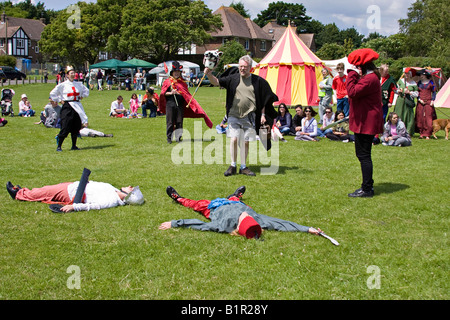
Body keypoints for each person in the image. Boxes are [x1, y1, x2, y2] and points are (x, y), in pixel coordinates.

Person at [205, 55, 278, 176]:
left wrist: (263, 114)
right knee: (234, 139)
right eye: (240, 67)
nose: (242, 69)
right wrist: (208, 74)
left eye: (245, 67)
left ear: (250, 67)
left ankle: (243, 167)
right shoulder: (233, 78)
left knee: (245, 141)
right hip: (234, 115)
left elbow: (264, 98)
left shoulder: (258, 81)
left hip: (249, 116)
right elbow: (216, 82)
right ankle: (232, 165)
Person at [160, 186, 324, 239]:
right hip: (233, 203)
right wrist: (307, 228)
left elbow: (200, 225)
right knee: (237, 201)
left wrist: (175, 223)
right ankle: (235, 196)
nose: (246, 215)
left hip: (214, 207)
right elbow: (282, 224)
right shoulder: (257, 219)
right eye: (247, 216)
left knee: (194, 204)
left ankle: (178, 198)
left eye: (245, 217)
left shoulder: (222, 225)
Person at [346, 48, 383, 198]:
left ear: (361, 66)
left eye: (357, 67)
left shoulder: (370, 79)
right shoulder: (371, 77)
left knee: (364, 156)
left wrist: (351, 74)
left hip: (366, 122)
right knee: (363, 155)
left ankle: (367, 188)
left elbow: (352, 92)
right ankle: (367, 186)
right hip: (364, 120)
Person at [6, 180, 144, 212]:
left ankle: (18, 194)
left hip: (71, 192)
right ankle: (24, 191)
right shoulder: (114, 191)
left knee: (46, 191)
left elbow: (94, 206)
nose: (130, 186)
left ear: (128, 195)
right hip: (75, 185)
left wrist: (74, 207)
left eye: (131, 189)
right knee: (46, 190)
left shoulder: (112, 200)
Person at [160, 61, 212, 144]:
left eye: (178, 72)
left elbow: (186, 94)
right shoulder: (167, 82)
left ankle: (178, 138)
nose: (177, 73)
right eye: (175, 72)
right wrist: (171, 93)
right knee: (170, 121)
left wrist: (180, 94)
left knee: (179, 121)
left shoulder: (183, 82)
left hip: (180, 104)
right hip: (170, 103)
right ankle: (169, 138)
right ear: (172, 72)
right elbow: (163, 93)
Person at [50, 65, 90, 152]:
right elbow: (53, 93)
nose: (73, 74)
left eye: (74, 73)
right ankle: (59, 146)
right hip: (68, 106)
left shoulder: (78, 84)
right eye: (71, 73)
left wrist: (82, 96)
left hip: (77, 106)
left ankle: (74, 145)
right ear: (67, 75)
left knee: (76, 126)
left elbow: (86, 91)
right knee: (66, 126)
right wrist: (60, 100)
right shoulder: (63, 85)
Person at [393, 68, 418, 136]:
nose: (406, 75)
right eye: (405, 73)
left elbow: (417, 94)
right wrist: (399, 90)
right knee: (398, 114)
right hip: (400, 101)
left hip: (408, 101)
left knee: (408, 116)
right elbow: (395, 90)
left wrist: (409, 92)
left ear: (410, 75)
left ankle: (408, 131)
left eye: (408, 73)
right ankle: (396, 130)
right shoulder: (401, 81)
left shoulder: (413, 83)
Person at [415, 69, 436, 140]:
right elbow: (416, 92)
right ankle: (421, 132)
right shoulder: (419, 83)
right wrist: (419, 99)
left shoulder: (431, 83)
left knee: (428, 118)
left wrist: (433, 100)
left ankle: (428, 133)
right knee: (420, 117)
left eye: (422, 75)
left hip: (428, 102)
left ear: (426, 75)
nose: (421, 76)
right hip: (420, 102)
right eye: (420, 75)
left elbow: (434, 92)